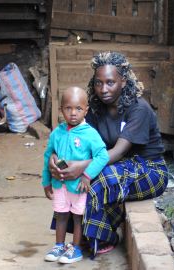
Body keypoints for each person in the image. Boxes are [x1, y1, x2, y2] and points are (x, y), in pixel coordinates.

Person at [48, 52, 168, 258]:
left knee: (99, 179)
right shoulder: (94, 109)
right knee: (76, 181)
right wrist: (56, 160)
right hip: (117, 165)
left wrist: (82, 166)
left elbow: (119, 152)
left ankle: (102, 237)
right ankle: (81, 236)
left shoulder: (138, 109)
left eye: (110, 82)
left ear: (123, 81)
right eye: (98, 83)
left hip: (149, 171)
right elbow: (78, 143)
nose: (103, 89)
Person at [42, 87, 109, 264]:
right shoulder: (57, 132)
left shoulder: (90, 134)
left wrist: (87, 175)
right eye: (68, 108)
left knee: (78, 217)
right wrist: (46, 182)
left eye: (78, 108)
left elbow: (103, 156)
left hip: (79, 186)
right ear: (62, 108)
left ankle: (76, 249)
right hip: (59, 185)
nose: (73, 113)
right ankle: (59, 246)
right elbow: (49, 156)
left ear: (86, 110)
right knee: (61, 214)